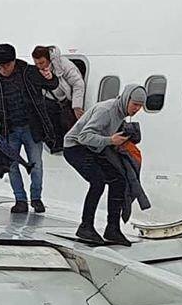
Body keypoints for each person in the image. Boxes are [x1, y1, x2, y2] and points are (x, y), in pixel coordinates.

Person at [62, 84, 145, 246]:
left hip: (94, 148)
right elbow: (83, 137)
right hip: (75, 147)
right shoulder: (106, 111)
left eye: (140, 106)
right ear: (126, 99)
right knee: (98, 181)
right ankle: (85, 226)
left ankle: (112, 228)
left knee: (119, 180)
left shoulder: (121, 112)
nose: (137, 109)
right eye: (135, 104)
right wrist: (110, 140)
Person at [0, 43, 59, 214]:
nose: (4, 69)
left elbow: (53, 85)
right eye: (0, 66)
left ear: (14, 61)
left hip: (32, 128)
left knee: (36, 164)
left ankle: (36, 198)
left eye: (7, 65)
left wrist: (49, 77)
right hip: (10, 130)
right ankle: (20, 200)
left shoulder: (28, 72)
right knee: (12, 166)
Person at [32, 45, 85, 123]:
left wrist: (77, 106)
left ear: (49, 59)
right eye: (36, 64)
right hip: (48, 104)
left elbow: (78, 84)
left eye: (42, 63)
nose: (39, 66)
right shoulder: (36, 70)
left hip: (64, 103)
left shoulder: (64, 65)